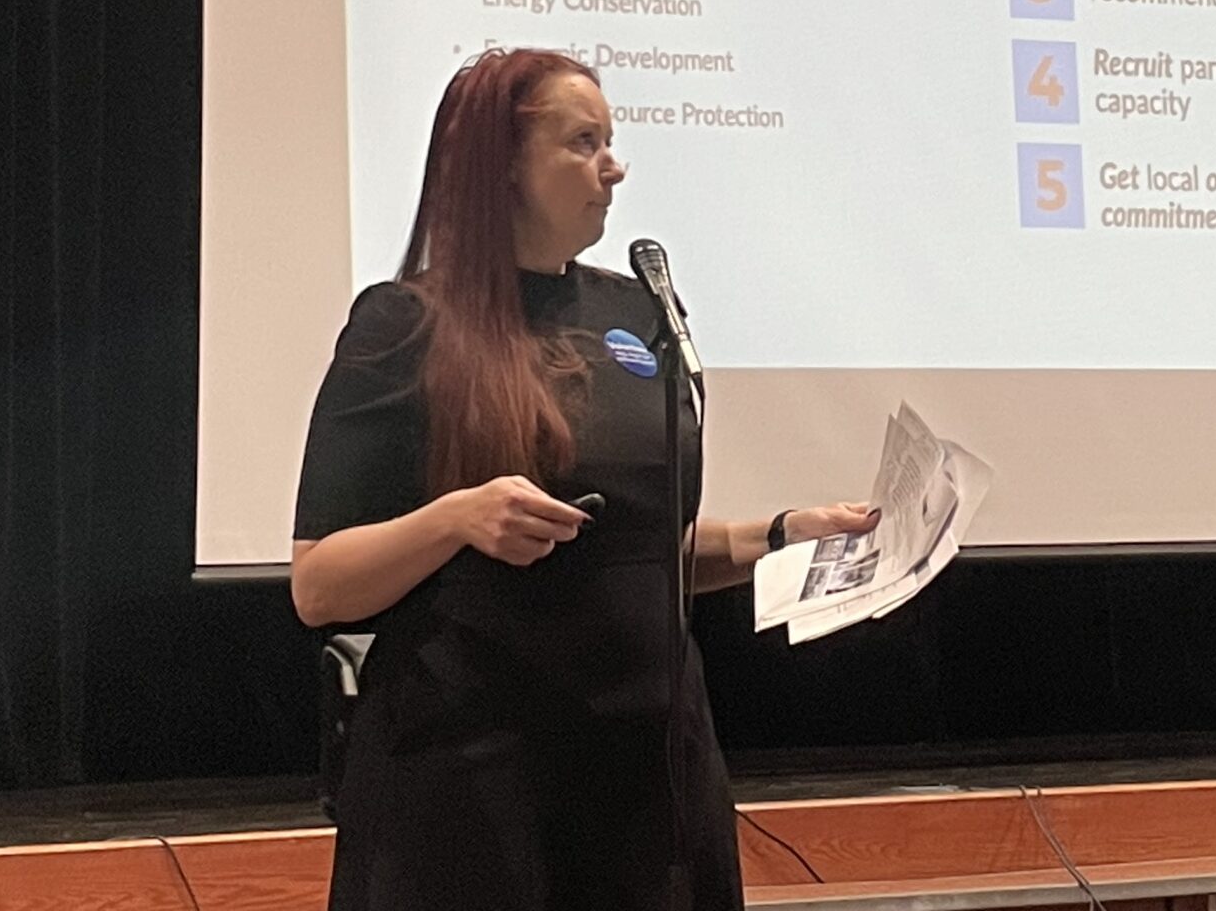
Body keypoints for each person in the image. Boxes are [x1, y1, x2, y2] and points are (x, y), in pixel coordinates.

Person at [290, 47, 878, 910]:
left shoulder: (632, 311)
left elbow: (642, 548)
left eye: (610, 140)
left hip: (650, 775)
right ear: (502, 167)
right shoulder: (405, 325)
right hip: (478, 781)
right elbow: (318, 586)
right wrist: (456, 518)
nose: (614, 166)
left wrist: (782, 535)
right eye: (582, 142)